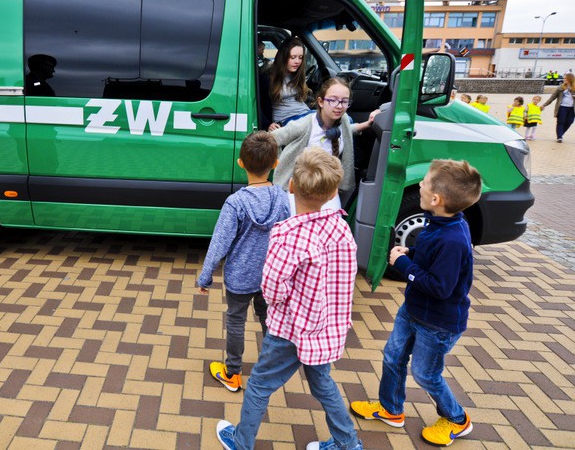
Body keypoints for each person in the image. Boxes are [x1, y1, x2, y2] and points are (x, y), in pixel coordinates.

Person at [216, 147, 363, 450]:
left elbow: (271, 288)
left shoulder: (287, 234)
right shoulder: (340, 228)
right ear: (333, 190)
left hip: (290, 329)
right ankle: (348, 444)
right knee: (323, 385)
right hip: (324, 328)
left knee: (259, 384)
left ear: (292, 186)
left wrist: (283, 300)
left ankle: (241, 442)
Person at [350, 159, 483, 447]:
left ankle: (457, 419)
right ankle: (391, 409)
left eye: (424, 181)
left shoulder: (453, 239)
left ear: (436, 199)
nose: (419, 184)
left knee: (426, 374)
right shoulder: (439, 223)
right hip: (413, 311)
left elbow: (440, 287)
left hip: (437, 324)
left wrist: (404, 263)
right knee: (392, 357)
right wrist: (410, 250)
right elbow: (429, 255)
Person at [197, 131, 290, 392]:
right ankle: (270, 368)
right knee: (268, 319)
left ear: (241, 163)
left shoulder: (235, 203)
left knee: (236, 320)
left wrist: (206, 276)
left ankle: (233, 372)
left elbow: (219, 243)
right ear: (275, 163)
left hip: (240, 276)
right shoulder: (283, 199)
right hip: (271, 275)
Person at [271, 77, 376, 209]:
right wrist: (280, 162)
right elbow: (271, 140)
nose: (339, 106)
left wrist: (367, 124)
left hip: (327, 189)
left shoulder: (343, 120)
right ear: (320, 101)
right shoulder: (304, 125)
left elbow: (347, 131)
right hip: (300, 192)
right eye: (332, 100)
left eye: (344, 101)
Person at [260, 37, 313, 131]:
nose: (297, 61)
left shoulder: (297, 75)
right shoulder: (268, 77)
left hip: (305, 114)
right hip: (287, 120)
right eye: (293, 57)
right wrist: (267, 124)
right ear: (283, 57)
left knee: (345, 119)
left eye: (300, 57)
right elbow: (257, 105)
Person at [542, 72, 575, 143]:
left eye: (566, 78)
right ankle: (559, 137)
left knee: (569, 122)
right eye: (564, 78)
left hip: (572, 108)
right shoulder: (560, 88)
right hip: (562, 107)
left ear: (570, 79)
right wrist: (544, 105)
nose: (564, 79)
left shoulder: (574, 88)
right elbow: (552, 97)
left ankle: (561, 133)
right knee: (561, 122)